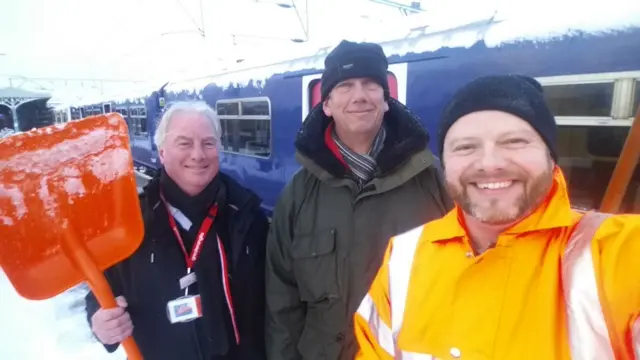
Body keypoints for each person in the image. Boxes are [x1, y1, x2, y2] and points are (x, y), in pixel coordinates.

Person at [354, 74, 640, 359]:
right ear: (445, 163)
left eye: (514, 142)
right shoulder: (403, 256)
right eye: (465, 147)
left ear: (551, 157)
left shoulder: (620, 251)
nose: (489, 164)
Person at [265, 40, 453, 360]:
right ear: (326, 103)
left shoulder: (436, 182)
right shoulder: (298, 195)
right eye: (345, 86)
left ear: (386, 99)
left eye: (370, 84)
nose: (359, 95)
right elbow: (282, 301)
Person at [85, 101, 269, 360]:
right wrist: (100, 321)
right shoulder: (128, 223)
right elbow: (101, 290)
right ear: (161, 153)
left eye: (208, 143)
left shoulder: (248, 217)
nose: (198, 154)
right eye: (184, 143)